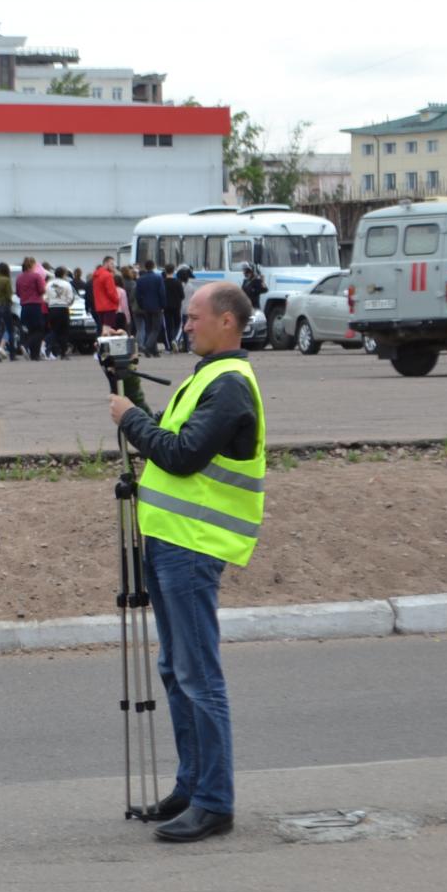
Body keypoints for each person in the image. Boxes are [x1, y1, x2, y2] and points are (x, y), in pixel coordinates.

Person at [107, 282, 266, 845]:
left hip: (193, 546)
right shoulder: (205, 377)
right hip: (172, 540)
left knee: (198, 676)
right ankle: (191, 785)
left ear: (227, 320)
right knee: (177, 670)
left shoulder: (228, 386)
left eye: (194, 316)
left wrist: (129, 418)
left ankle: (214, 801)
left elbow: (177, 453)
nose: (186, 324)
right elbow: (169, 436)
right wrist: (126, 381)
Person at [15, 255, 46, 361]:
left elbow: (18, 293)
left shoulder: (19, 277)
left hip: (24, 306)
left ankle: (34, 354)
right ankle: (27, 345)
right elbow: (42, 290)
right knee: (39, 330)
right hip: (35, 305)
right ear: (32, 265)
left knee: (29, 330)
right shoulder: (36, 276)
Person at [135, 259, 167, 358]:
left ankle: (154, 351)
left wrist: (141, 305)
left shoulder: (140, 279)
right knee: (156, 328)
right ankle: (147, 347)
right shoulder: (158, 278)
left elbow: (137, 295)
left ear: (145, 267)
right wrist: (163, 305)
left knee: (149, 328)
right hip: (156, 306)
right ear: (153, 266)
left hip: (145, 306)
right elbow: (162, 293)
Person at [44, 266, 75, 360]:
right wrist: (67, 303)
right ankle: (63, 353)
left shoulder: (49, 284)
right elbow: (70, 297)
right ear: (63, 274)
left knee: (54, 330)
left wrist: (50, 302)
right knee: (64, 331)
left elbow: (45, 298)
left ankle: (48, 348)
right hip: (63, 308)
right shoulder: (66, 284)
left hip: (52, 309)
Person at [91, 255, 122, 333]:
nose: (113, 266)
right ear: (106, 263)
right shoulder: (108, 275)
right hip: (109, 306)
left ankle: (101, 343)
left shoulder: (96, 276)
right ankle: (104, 345)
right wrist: (117, 301)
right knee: (107, 329)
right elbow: (111, 292)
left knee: (103, 328)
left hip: (99, 306)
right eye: (111, 264)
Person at [164, 266, 187, 354]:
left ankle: (169, 345)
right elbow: (182, 295)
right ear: (173, 271)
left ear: (165, 271)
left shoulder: (163, 282)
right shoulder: (177, 282)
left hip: (166, 307)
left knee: (168, 325)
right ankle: (175, 339)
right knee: (177, 324)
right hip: (177, 306)